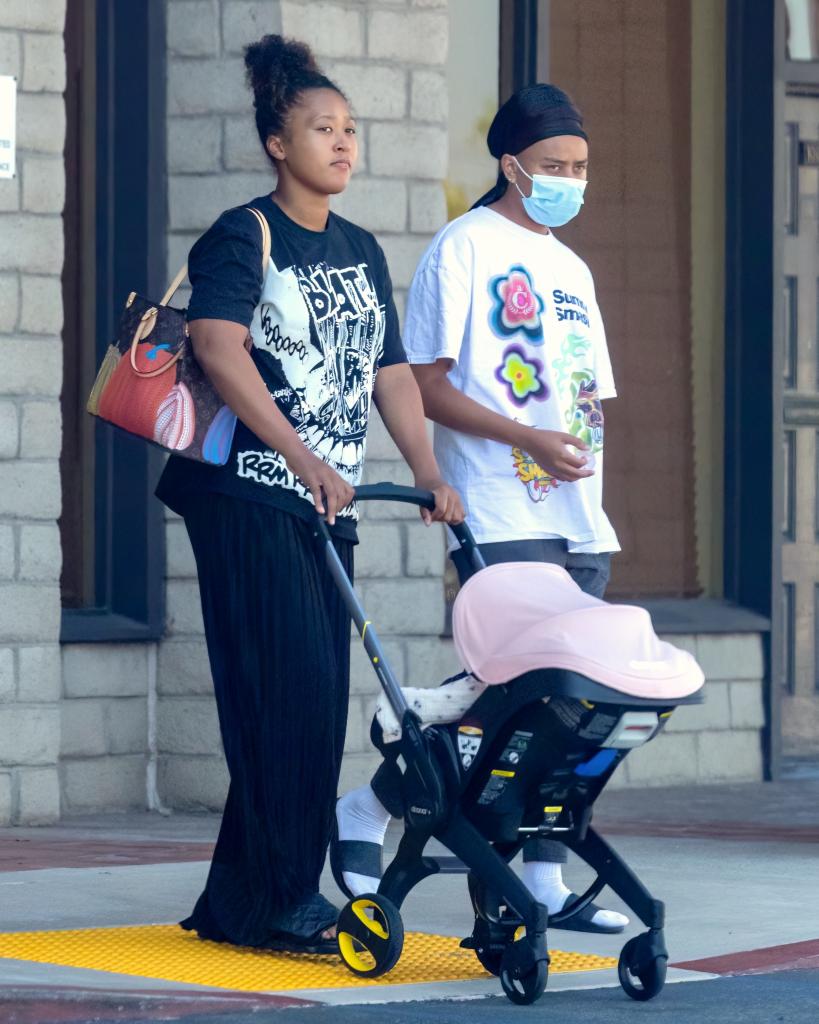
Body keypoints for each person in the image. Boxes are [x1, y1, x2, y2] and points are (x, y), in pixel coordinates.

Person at [155, 34, 463, 955]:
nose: (341, 143)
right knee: (284, 698)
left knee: (308, 700)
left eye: (350, 130)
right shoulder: (241, 233)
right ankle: (283, 902)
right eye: (320, 128)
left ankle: (240, 901)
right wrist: (299, 456)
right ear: (277, 145)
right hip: (249, 496)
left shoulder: (362, 248)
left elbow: (392, 375)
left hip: (323, 503)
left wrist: (428, 470)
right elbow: (216, 342)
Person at [334, 84, 627, 934]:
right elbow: (424, 384)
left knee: (565, 705)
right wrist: (525, 442)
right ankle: (372, 805)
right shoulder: (462, 248)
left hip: (576, 513)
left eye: (579, 167)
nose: (571, 180)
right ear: (510, 165)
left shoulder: (573, 268)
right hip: (500, 508)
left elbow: (589, 397)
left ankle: (539, 876)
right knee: (506, 697)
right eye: (553, 167)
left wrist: (575, 471)